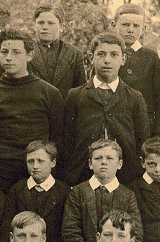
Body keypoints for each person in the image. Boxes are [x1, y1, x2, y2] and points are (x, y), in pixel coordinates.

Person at [0, 27, 64, 191]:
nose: (8, 58)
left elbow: (57, 140)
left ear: (29, 55)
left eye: (16, 52)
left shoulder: (49, 93)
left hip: (37, 176)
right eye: (4, 52)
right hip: (2, 177)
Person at [62, 32, 149, 187]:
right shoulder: (76, 95)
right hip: (82, 175)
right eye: (101, 54)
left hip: (124, 176)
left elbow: (141, 140)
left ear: (123, 59)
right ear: (91, 58)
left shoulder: (135, 97)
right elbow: (67, 141)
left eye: (114, 55)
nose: (107, 60)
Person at [61, 139, 142, 242]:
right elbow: (70, 231)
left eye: (110, 158)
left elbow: (136, 233)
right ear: (90, 164)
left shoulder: (128, 195)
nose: (104, 162)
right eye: (98, 158)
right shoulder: (78, 192)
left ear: (119, 164)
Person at [0, 140, 70, 242]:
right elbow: (6, 225)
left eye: (40, 161)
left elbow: (68, 226)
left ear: (53, 163)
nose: (35, 166)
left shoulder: (64, 191)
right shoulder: (17, 189)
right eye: (30, 161)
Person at [112, 3, 160, 135]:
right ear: (114, 25)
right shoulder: (107, 52)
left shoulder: (150, 56)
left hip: (144, 125)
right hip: (113, 121)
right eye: (125, 25)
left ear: (144, 28)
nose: (130, 30)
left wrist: (158, 133)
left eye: (136, 26)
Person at [28, 4, 87, 102]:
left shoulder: (74, 54)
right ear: (35, 25)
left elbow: (80, 92)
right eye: (40, 23)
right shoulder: (26, 51)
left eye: (50, 23)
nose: (45, 27)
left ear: (62, 27)